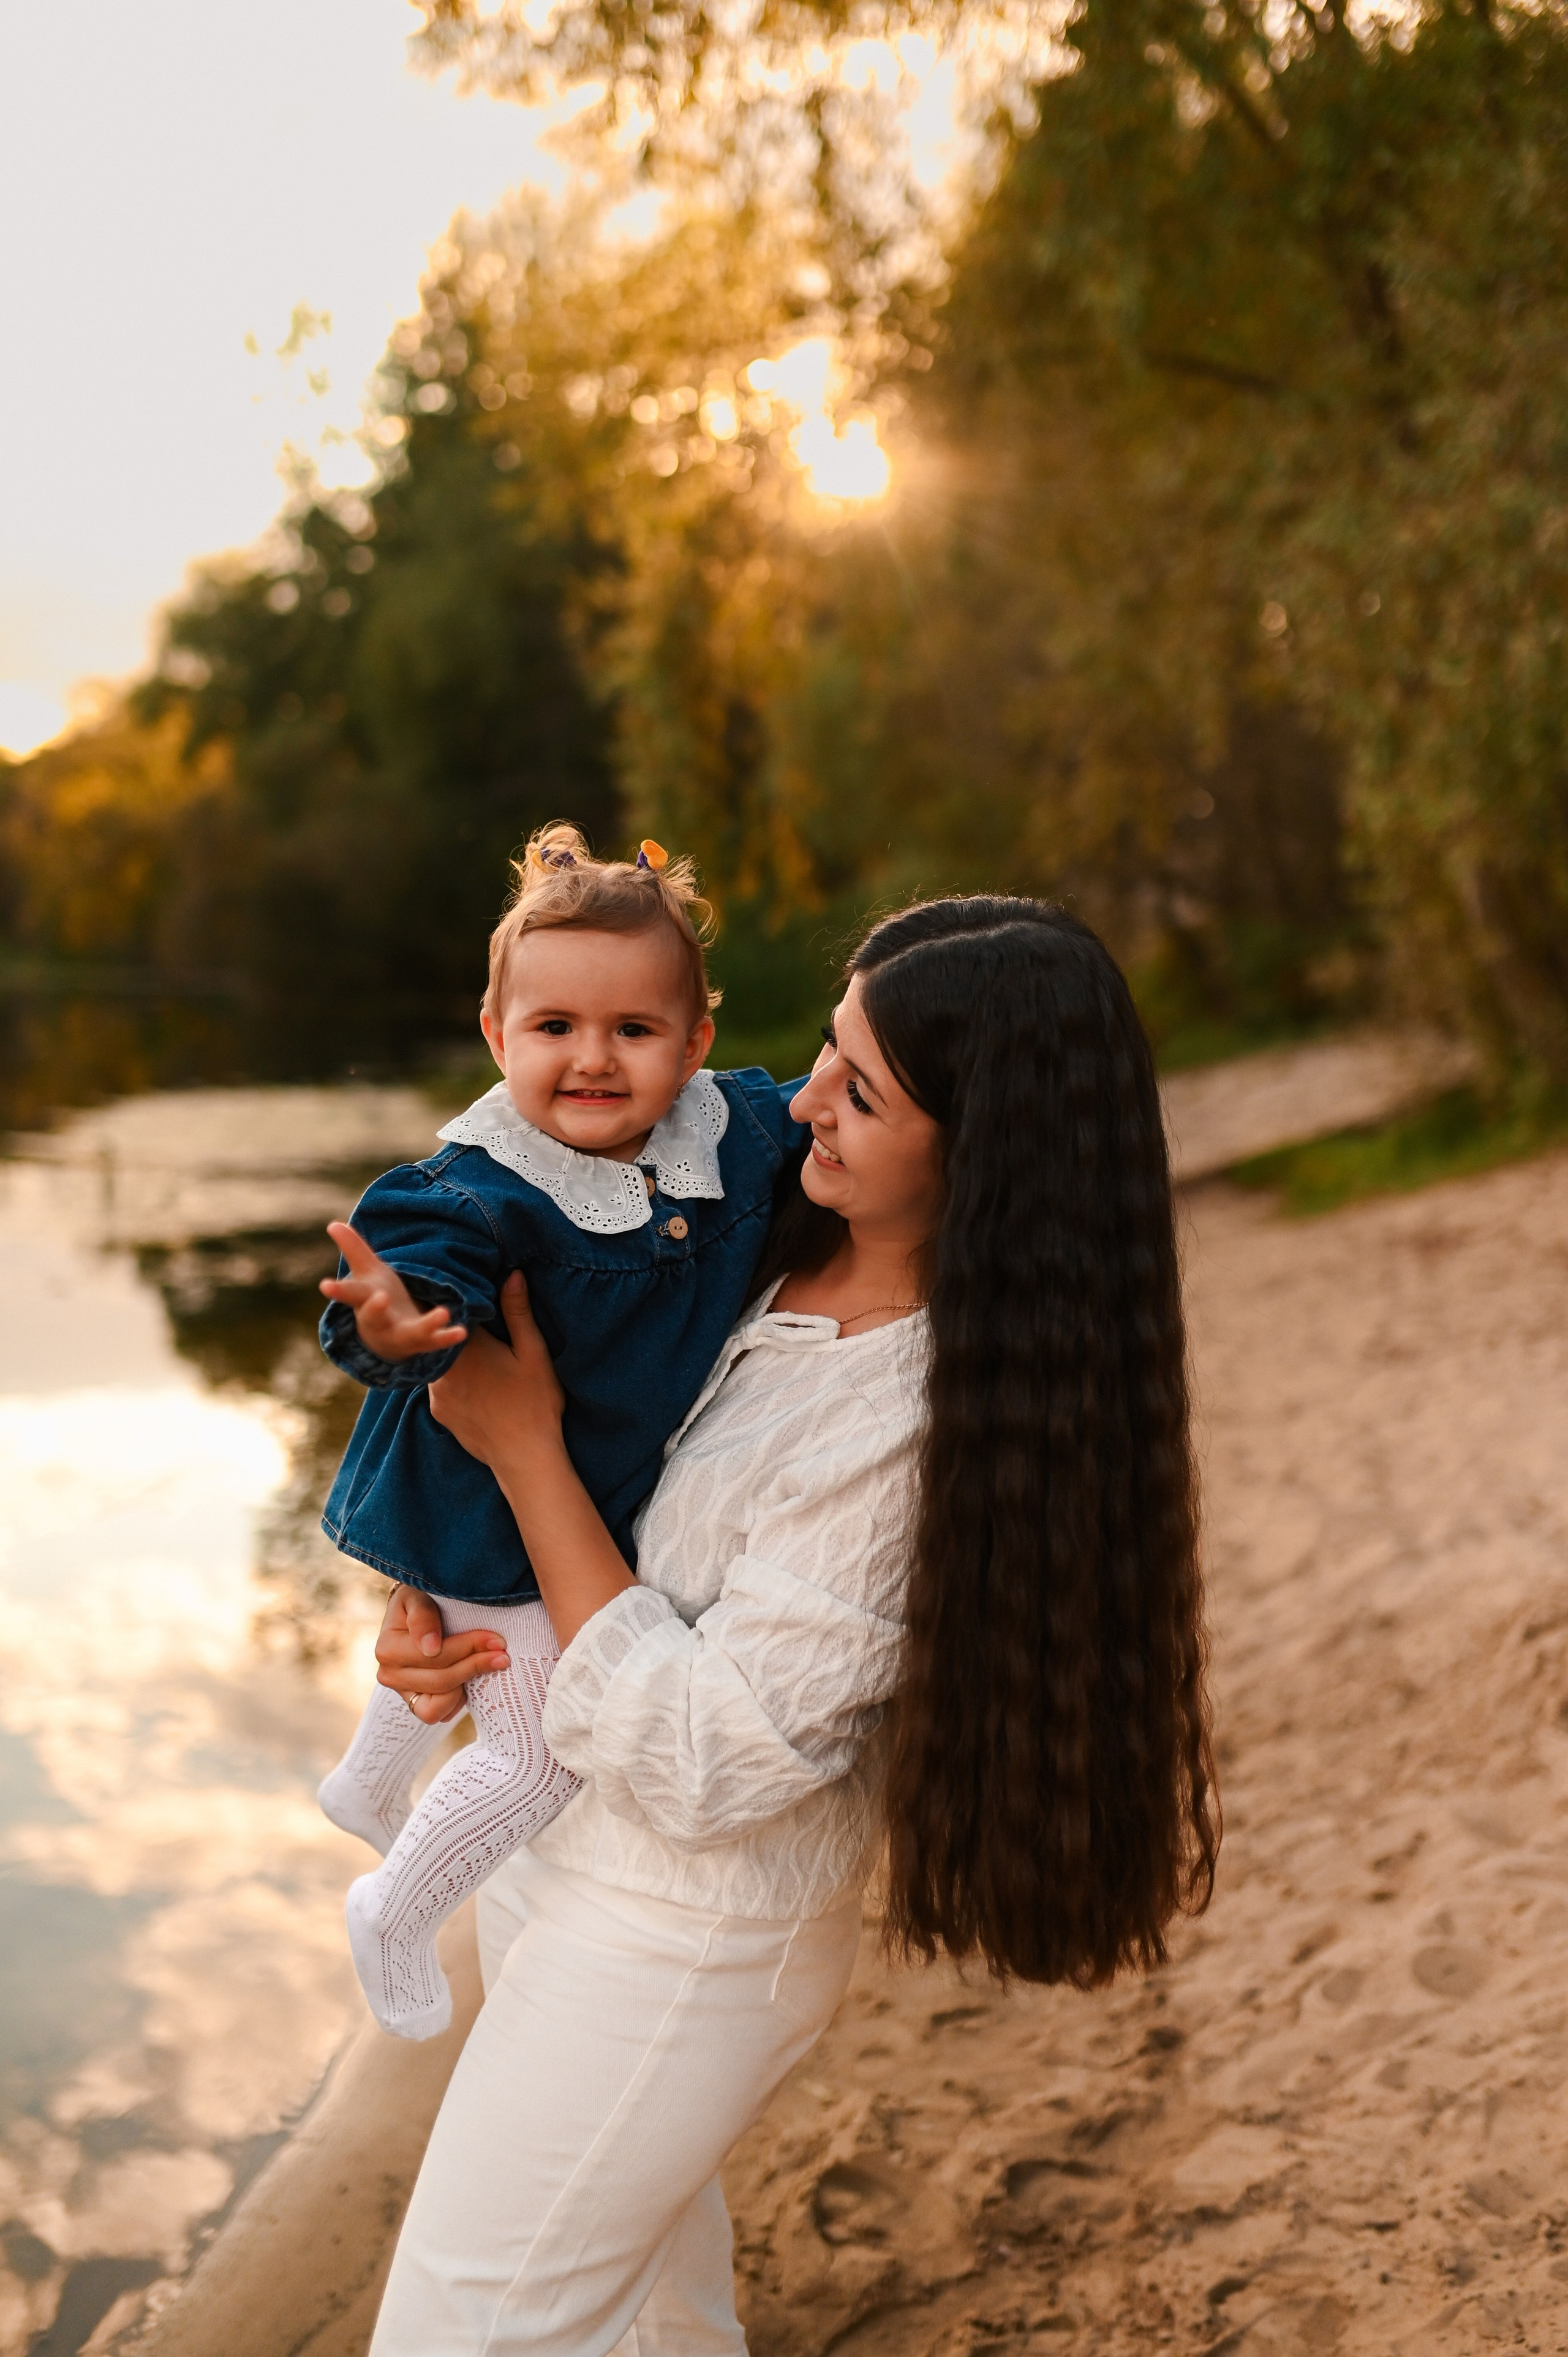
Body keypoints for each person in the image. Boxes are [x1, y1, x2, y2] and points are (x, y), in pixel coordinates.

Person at [361, 893, 1220, 2356]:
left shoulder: (915, 1413)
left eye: (861, 1092)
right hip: (559, 1851)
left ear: (982, 1155)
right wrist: (440, 1614)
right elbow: (593, 1479)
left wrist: (523, 1451)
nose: (802, 1098)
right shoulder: (739, 1236)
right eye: (827, 1048)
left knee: (460, 2328)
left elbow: (712, 1756)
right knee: (646, 2315)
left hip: (678, 1935)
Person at [313, 823, 808, 2038]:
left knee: (454, 1651)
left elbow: (836, 1116)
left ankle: (367, 1783)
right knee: (539, 1752)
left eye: (633, 1030)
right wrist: (399, 1323)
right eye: (553, 1028)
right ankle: (392, 1908)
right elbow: (426, 1262)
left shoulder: (730, 1132)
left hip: (531, 1505)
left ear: (694, 1042)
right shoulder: (479, 1185)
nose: (591, 1059)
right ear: (497, 1037)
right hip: (488, 1505)